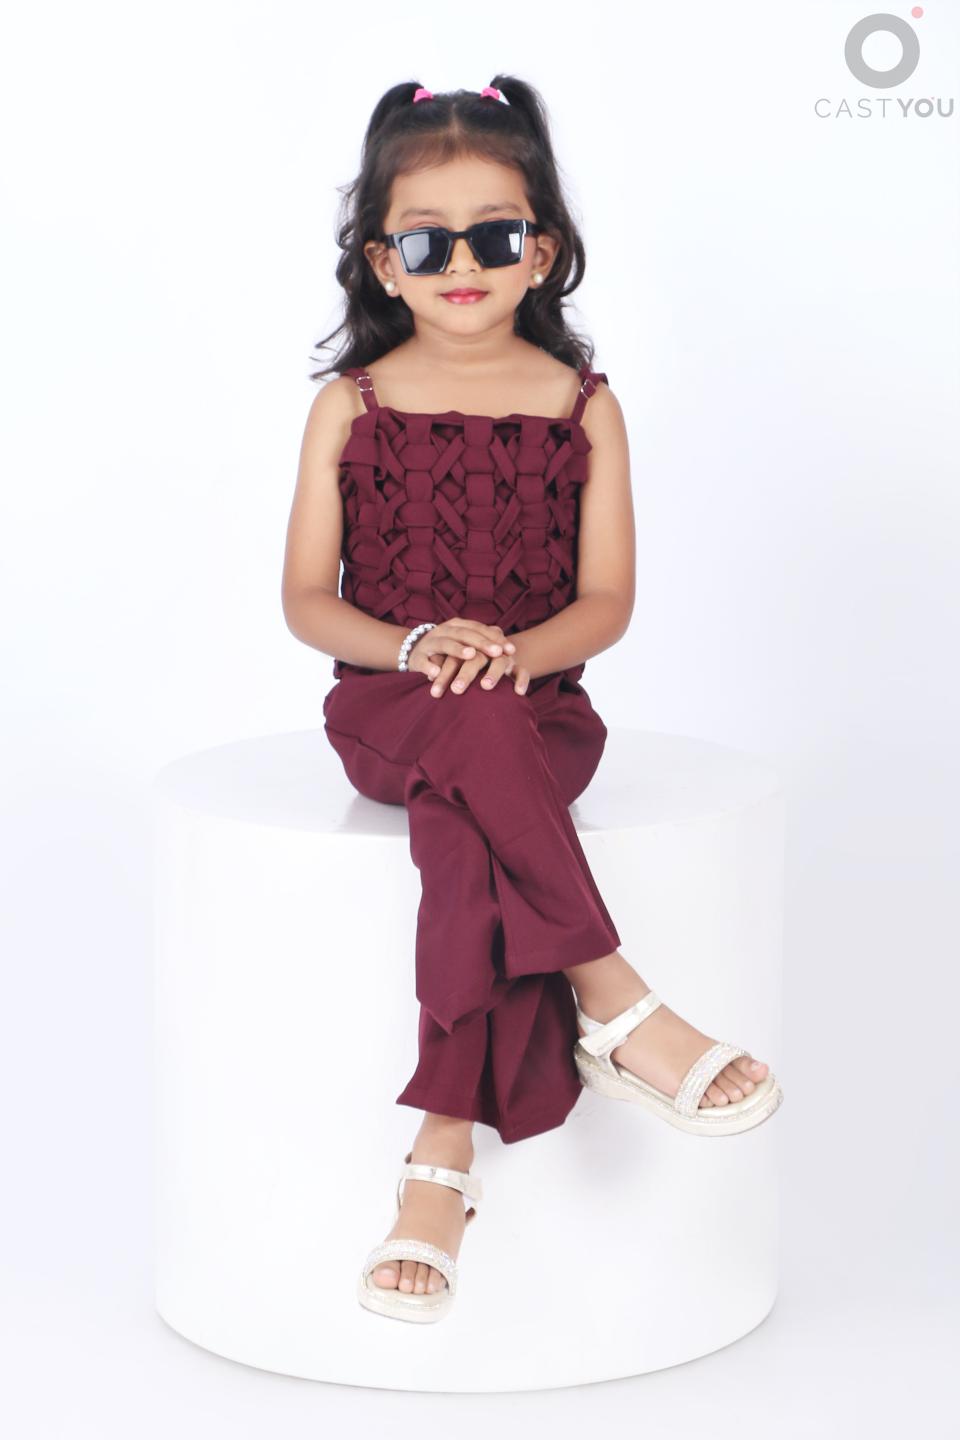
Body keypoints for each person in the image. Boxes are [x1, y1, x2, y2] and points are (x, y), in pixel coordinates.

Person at [281, 76, 782, 1324]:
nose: (462, 264)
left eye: (494, 236)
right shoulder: (351, 404)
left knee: (469, 825)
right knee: (463, 754)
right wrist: (415, 645)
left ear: (542, 251)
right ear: (381, 262)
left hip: (542, 717)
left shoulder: (583, 404)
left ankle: (441, 1154)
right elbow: (305, 602)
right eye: (426, 242)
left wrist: (515, 653)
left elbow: (606, 601)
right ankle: (612, 994)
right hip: (389, 714)